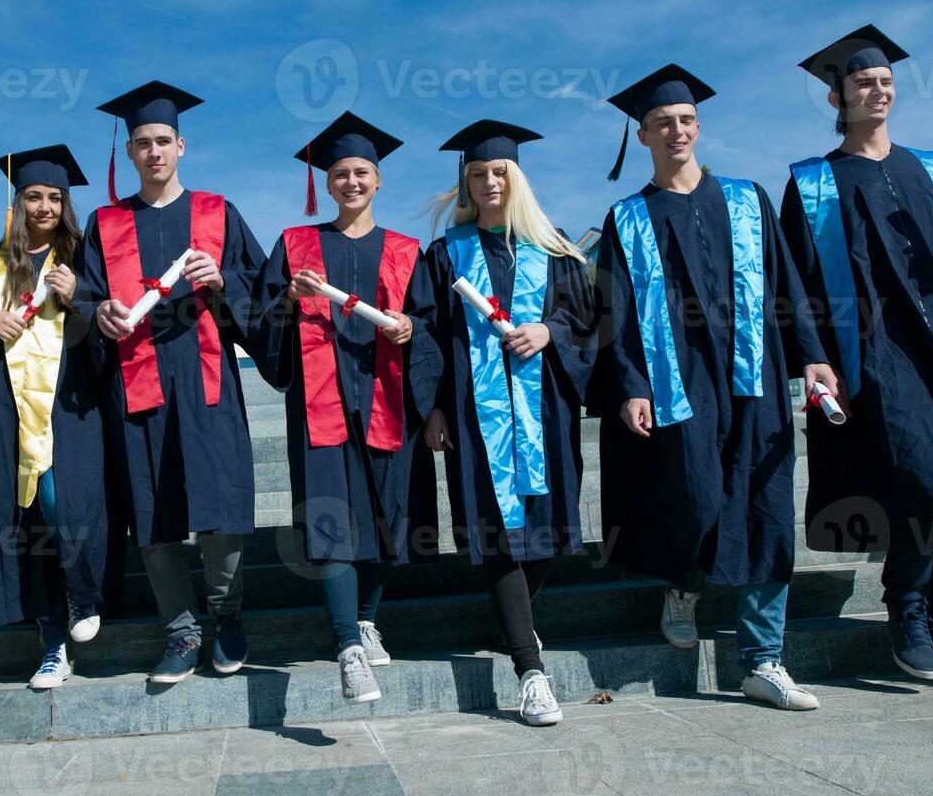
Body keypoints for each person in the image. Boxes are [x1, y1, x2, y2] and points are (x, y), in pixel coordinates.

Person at [592, 66, 837, 711]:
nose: (676, 130)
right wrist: (630, 383)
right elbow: (614, 311)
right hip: (681, 379)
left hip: (754, 373)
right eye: (662, 123)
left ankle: (763, 659)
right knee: (696, 493)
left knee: (766, 507)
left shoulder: (747, 199)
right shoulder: (627, 217)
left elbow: (787, 285)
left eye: (685, 121)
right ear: (642, 134)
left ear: (698, 128)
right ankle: (685, 585)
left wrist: (811, 356)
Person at [780, 25, 933, 681]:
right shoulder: (813, 183)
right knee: (923, 480)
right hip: (877, 352)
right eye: (863, 82)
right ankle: (905, 607)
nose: (878, 90)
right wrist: (812, 356)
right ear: (836, 99)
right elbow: (792, 281)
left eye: (885, 81)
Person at [251, 112, 441, 703]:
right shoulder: (296, 245)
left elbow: (436, 325)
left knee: (390, 514)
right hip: (322, 403)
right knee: (332, 518)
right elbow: (262, 320)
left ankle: (365, 618)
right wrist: (285, 299)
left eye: (361, 172)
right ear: (325, 184)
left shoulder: (411, 251)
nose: (351, 182)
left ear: (378, 180)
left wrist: (415, 329)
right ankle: (347, 646)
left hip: (391, 399)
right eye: (339, 174)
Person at [82, 81, 265, 683]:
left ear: (181, 146)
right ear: (130, 153)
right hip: (138, 384)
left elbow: (262, 294)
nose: (154, 151)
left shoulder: (219, 212)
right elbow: (86, 298)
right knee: (152, 509)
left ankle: (227, 615)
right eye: (143, 143)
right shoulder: (104, 223)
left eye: (164, 140)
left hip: (208, 380)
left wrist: (223, 283)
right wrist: (98, 313)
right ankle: (182, 634)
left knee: (221, 502)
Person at [422, 121, 594, 725]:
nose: (489, 182)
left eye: (499, 173)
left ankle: (514, 623)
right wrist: (436, 405)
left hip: (545, 411)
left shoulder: (553, 248)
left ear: (515, 179)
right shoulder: (446, 254)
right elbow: (429, 335)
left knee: (542, 531)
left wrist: (551, 331)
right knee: (497, 531)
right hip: (477, 418)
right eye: (477, 174)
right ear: (465, 183)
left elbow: (588, 322)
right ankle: (529, 668)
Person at [0, 146, 106, 690]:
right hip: (12, 410)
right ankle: (52, 640)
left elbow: (114, 319)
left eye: (54, 197)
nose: (44, 205)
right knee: (28, 523)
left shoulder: (83, 256)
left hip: (72, 405)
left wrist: (84, 301)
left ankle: (85, 593)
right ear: (18, 201)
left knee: (62, 503)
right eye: (34, 196)